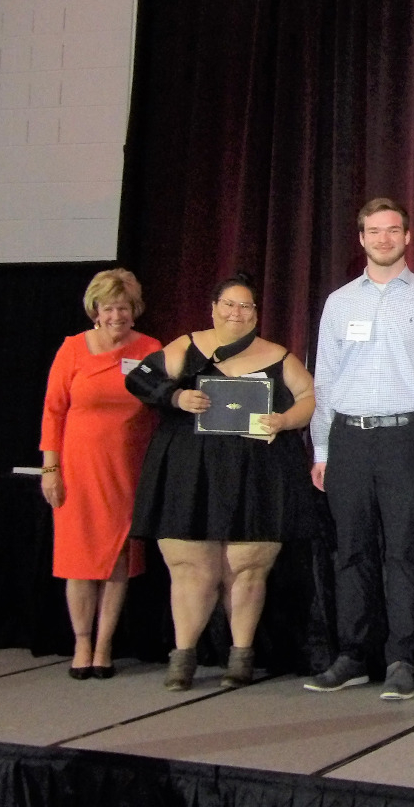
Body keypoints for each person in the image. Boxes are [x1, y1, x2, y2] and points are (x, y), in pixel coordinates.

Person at [304, 197, 414, 702]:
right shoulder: (339, 302)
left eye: (393, 230)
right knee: (350, 551)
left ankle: (401, 660)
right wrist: (322, 449)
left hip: (404, 439)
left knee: (404, 553)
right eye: (374, 231)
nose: (384, 239)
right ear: (362, 238)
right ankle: (352, 655)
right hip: (347, 439)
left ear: (407, 237)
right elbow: (325, 381)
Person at [129, 274, 316, 690]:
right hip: (190, 473)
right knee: (190, 568)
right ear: (213, 308)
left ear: (256, 314)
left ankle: (241, 656)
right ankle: (183, 657)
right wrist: (176, 397)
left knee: (247, 568)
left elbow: (309, 399)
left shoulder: (278, 355)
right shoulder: (186, 346)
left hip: (257, 476)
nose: (237, 313)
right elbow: (138, 379)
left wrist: (285, 420)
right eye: (229, 304)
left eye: (246, 306)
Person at [40, 269, 161, 679]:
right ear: (95, 310)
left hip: (128, 470)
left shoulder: (150, 349)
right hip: (77, 471)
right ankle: (82, 643)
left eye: (123, 308)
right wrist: (50, 468)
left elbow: (161, 405)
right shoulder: (72, 349)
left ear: (135, 309)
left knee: (117, 558)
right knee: (78, 560)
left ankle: (105, 645)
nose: (116, 316)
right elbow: (53, 411)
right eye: (108, 308)